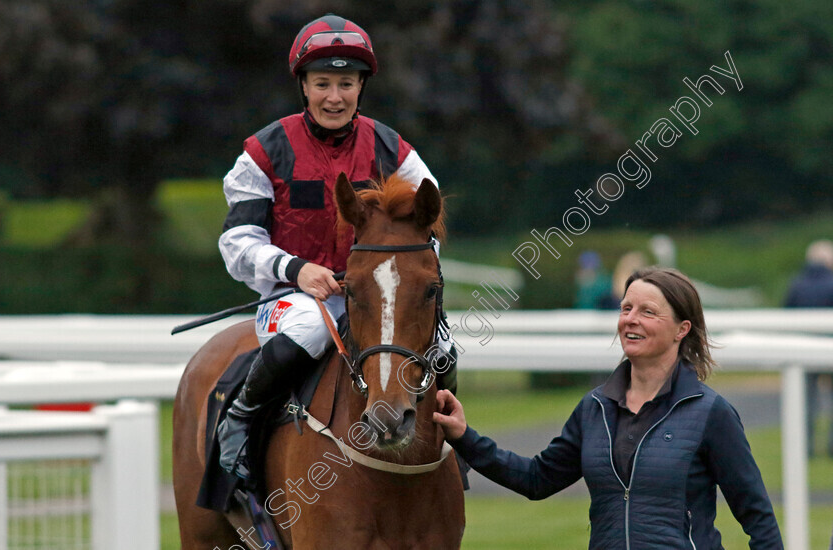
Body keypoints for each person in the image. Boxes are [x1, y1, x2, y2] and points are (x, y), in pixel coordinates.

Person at [216, 14, 456, 479]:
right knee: (312, 327)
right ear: (303, 86)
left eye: (346, 83)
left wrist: (402, 285)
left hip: (373, 294)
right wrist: (296, 269)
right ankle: (240, 419)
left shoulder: (395, 151)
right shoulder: (264, 152)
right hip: (290, 299)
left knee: (443, 348)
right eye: (322, 83)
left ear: (360, 87)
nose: (334, 97)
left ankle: (448, 448)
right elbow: (236, 243)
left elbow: (427, 232)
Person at [434, 267, 782, 548]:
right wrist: (465, 436)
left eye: (648, 312)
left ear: (682, 329)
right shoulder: (594, 408)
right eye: (626, 308)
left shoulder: (711, 412)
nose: (631, 319)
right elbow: (536, 480)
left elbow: (757, 517)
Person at [784, 239, 833, 457]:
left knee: (804, 401)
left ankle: (805, 447)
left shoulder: (796, 284)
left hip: (800, 349)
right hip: (828, 348)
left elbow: (785, 314)